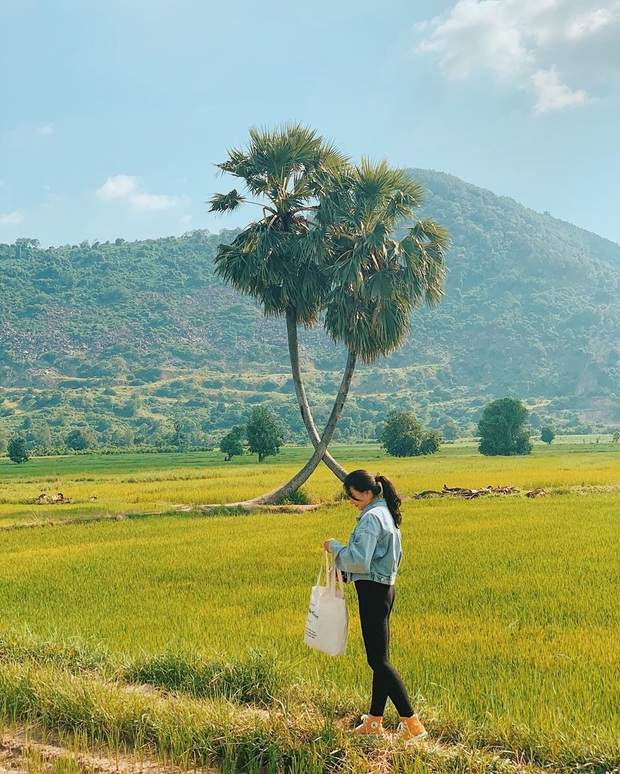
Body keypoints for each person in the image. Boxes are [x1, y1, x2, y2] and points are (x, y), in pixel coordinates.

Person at [324, 469, 427, 743]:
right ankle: (374, 721)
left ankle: (412, 723)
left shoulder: (371, 519)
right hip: (382, 589)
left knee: (378, 661)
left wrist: (334, 547)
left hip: (372, 593)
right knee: (380, 659)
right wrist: (346, 573)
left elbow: (359, 559)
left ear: (368, 492)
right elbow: (375, 560)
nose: (350, 500)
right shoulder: (384, 513)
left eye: (353, 495)